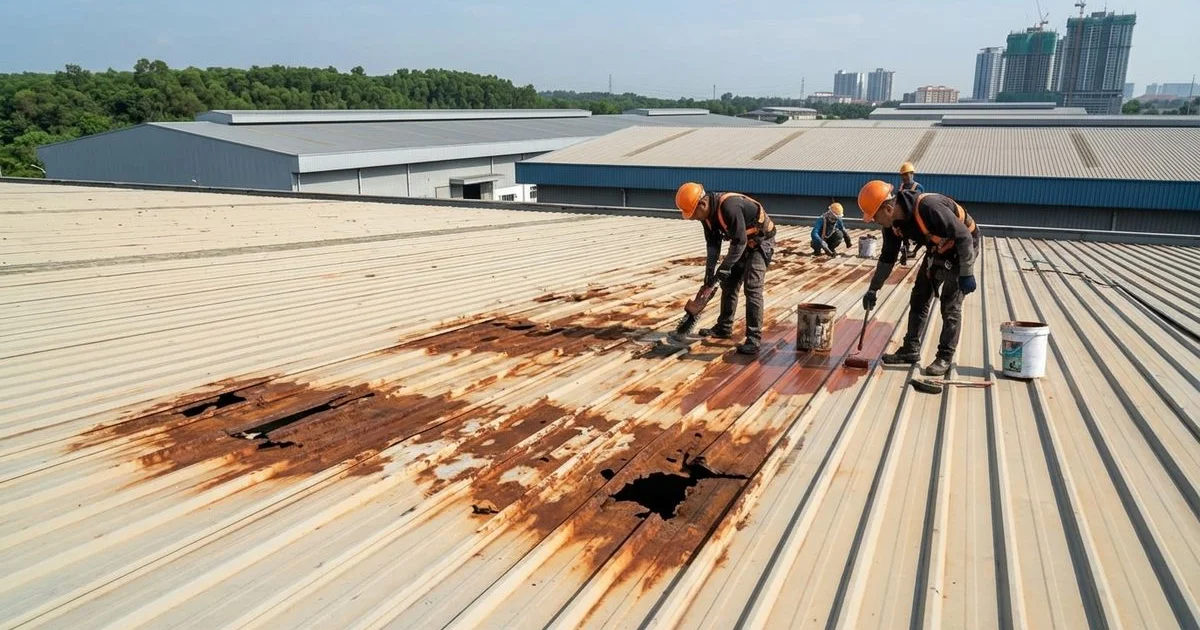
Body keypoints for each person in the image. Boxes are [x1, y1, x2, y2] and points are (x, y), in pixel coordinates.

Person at [857, 180, 980, 376]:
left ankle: (944, 357)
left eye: (874, 216)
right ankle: (910, 349)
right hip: (938, 249)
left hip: (963, 248)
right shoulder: (892, 225)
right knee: (920, 296)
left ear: (888, 209)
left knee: (950, 305)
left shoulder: (928, 207)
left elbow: (963, 236)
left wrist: (966, 272)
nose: (873, 220)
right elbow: (888, 257)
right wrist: (873, 288)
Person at [675, 182, 777, 355]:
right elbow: (713, 245)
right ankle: (724, 327)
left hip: (760, 242)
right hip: (741, 242)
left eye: (693, 215)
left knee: (752, 287)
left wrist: (722, 270)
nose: (694, 218)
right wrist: (709, 276)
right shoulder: (706, 217)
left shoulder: (729, 206)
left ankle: (753, 339)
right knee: (729, 284)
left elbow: (740, 242)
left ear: (702, 204)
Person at [897, 162, 923, 263]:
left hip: (915, 215)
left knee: (921, 234)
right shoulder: (901, 186)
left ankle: (914, 251)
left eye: (906, 174)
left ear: (912, 174)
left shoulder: (918, 187)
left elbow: (920, 202)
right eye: (902, 175)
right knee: (902, 233)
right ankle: (906, 251)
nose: (904, 177)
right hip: (904, 215)